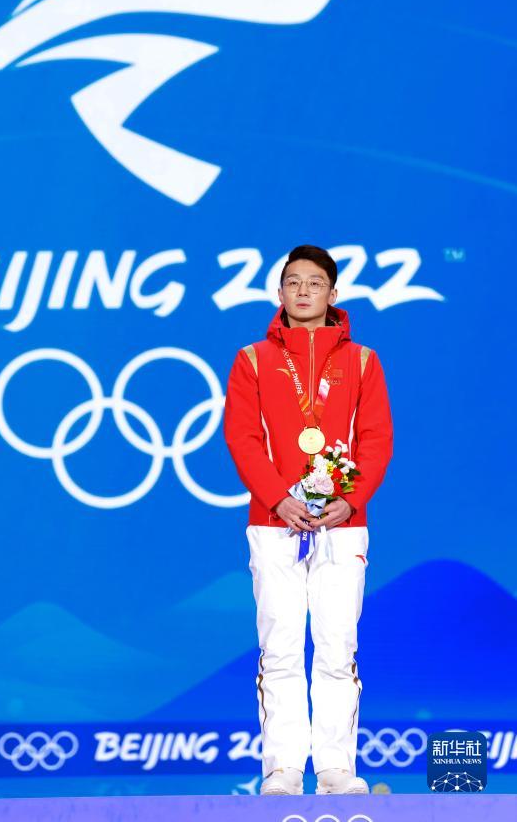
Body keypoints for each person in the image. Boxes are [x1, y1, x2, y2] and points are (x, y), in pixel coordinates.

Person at [223, 244, 393, 796]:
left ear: (332, 293)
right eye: (293, 282)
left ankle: (337, 767)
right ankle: (283, 768)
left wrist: (352, 498)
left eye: (314, 283)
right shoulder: (252, 360)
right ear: (279, 293)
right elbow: (242, 437)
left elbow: (376, 439)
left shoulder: (362, 361)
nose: (303, 291)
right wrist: (278, 498)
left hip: (343, 525)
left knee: (337, 646)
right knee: (280, 647)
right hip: (275, 524)